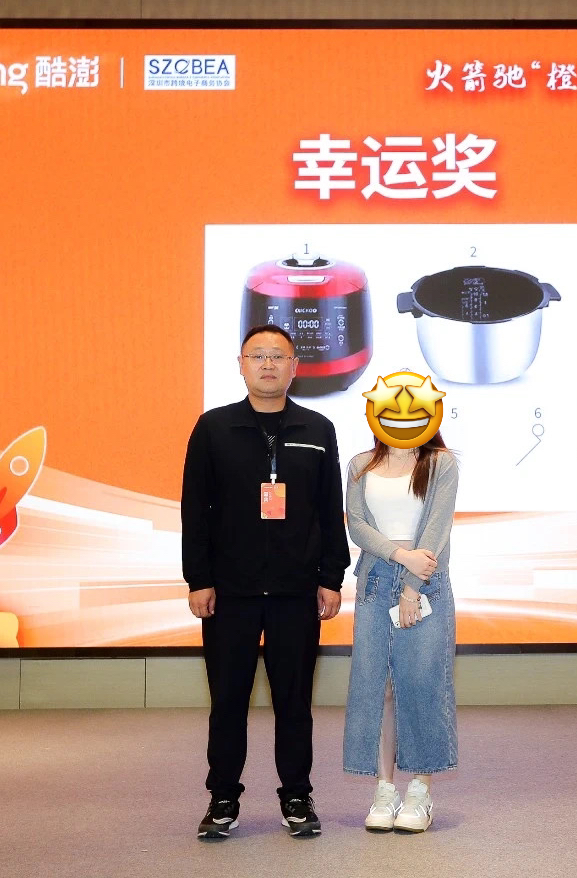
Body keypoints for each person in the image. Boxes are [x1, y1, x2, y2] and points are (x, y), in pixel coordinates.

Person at [181, 324, 350, 840]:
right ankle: (222, 798)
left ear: (295, 367)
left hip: (296, 592)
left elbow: (329, 509)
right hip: (229, 592)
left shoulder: (317, 428)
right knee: (227, 700)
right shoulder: (213, 427)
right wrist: (198, 578)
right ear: (241, 365)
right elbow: (195, 510)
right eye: (258, 356)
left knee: (293, 702)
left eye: (279, 356)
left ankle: (296, 795)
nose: (269, 364)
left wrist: (331, 576)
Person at [342, 430, 458, 833]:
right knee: (379, 687)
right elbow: (357, 526)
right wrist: (399, 555)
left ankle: (420, 791)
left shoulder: (441, 463)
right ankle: (384, 790)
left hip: (425, 582)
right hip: (375, 580)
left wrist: (411, 587)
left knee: (422, 684)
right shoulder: (361, 465)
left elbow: (437, 529)